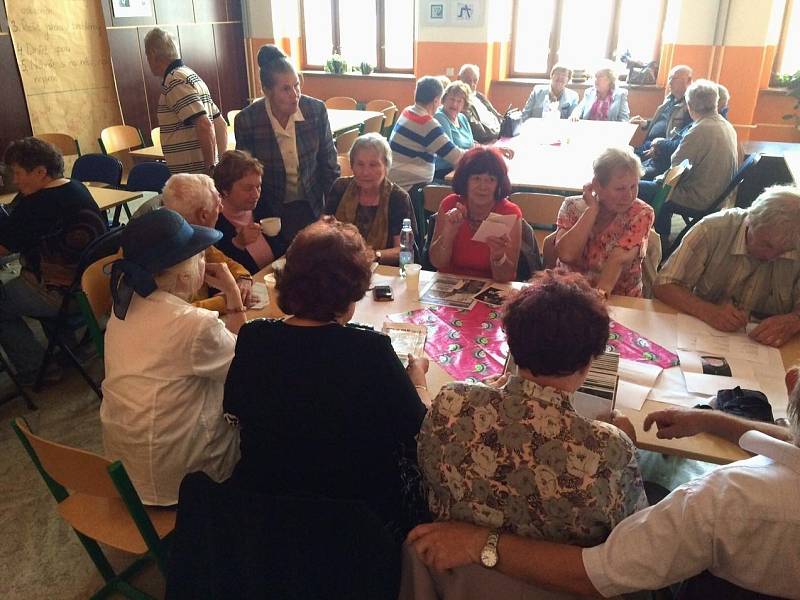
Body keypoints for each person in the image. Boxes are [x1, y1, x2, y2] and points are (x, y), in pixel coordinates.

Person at [406, 376, 800, 599]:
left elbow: (595, 573)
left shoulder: (725, 499)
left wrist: (480, 542)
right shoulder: (728, 496)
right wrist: (711, 421)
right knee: (657, 478)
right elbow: (788, 438)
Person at [222, 217, 429, 542]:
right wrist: (417, 381)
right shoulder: (370, 350)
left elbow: (234, 407)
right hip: (355, 514)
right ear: (354, 289)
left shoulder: (254, 336)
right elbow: (419, 430)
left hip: (264, 503)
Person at [418, 270, 646, 546]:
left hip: (456, 576)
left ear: (511, 348)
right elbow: (634, 537)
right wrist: (630, 445)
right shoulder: (608, 449)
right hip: (554, 584)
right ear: (588, 364)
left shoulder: (450, 402)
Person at [101, 208, 244, 506]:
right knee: (259, 416)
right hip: (181, 478)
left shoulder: (124, 308)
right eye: (200, 257)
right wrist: (233, 294)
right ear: (182, 275)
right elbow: (246, 368)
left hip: (128, 470)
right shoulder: (193, 324)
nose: (205, 262)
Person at [0, 137, 105, 385]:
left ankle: (37, 369)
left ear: (40, 171)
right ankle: (71, 349)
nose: (14, 181)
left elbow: (4, 249)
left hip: (62, 294)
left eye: (17, 173)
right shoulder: (76, 187)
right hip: (96, 286)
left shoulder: (34, 206)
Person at [654, 186, 800, 347]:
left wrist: (794, 320)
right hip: (701, 338)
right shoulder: (712, 229)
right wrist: (707, 311)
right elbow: (664, 284)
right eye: (766, 245)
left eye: (783, 251)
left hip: (774, 349)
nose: (771, 256)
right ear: (749, 221)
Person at [234, 44, 339, 245]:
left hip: (312, 204)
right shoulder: (248, 120)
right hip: (270, 209)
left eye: (297, 85)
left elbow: (329, 165)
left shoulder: (315, 111)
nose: (295, 94)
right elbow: (244, 175)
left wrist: (331, 212)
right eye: (285, 88)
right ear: (266, 91)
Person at [638, 79, 737, 235]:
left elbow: (676, 169)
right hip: (716, 195)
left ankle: (657, 239)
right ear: (716, 103)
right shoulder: (725, 125)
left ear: (689, 106)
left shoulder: (700, 129)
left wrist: (654, 181)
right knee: (651, 186)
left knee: (634, 189)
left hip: (698, 198)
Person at [555, 146, 654, 297]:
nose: (629, 196)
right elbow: (567, 255)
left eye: (634, 186)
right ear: (597, 186)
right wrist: (592, 210)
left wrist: (596, 300)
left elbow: (617, 260)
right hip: (569, 292)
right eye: (620, 189)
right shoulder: (572, 206)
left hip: (618, 297)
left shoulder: (641, 213)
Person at [161, 173, 255, 313]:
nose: (222, 209)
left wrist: (243, 278)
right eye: (218, 205)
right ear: (203, 215)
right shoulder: (161, 250)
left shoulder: (194, 237)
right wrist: (228, 299)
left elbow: (228, 264)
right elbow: (177, 312)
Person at [429, 147, 522, 282]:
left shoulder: (508, 213)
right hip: (450, 284)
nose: (483, 186)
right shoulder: (450, 205)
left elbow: (506, 277)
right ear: (465, 180)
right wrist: (448, 235)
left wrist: (498, 256)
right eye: (476, 178)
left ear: (499, 184)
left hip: (491, 285)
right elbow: (437, 263)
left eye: (491, 179)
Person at [144, 28, 227, 175]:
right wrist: (219, 163)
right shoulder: (190, 75)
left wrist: (210, 168)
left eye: (147, 55)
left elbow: (204, 124)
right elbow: (219, 123)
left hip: (193, 177)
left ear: (152, 54)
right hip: (200, 175)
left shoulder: (174, 81)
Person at [324, 133, 413, 266]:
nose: (365, 172)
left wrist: (373, 256)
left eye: (373, 165)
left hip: (382, 270)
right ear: (352, 166)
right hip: (339, 267)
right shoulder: (340, 188)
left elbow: (404, 251)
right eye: (360, 164)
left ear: (386, 167)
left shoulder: (397, 198)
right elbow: (324, 232)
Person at [388, 76, 465, 191]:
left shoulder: (407, 111)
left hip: (394, 181)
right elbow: (457, 157)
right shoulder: (427, 124)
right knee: (459, 192)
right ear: (435, 101)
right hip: (411, 188)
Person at [212, 149, 282, 274]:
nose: (256, 194)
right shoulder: (214, 222)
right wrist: (237, 244)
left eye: (258, 186)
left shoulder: (263, 206)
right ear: (225, 190)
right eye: (248, 188)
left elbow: (281, 249)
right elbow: (221, 273)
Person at [631, 65, 693, 160]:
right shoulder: (670, 99)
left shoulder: (690, 107)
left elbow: (682, 139)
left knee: (621, 160)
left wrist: (659, 147)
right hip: (648, 144)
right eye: (669, 78)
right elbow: (664, 121)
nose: (670, 82)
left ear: (688, 81)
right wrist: (646, 123)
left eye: (675, 78)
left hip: (659, 152)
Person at [433, 81, 476, 179]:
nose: (454, 104)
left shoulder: (462, 118)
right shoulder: (439, 117)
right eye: (451, 99)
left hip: (462, 167)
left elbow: (472, 146)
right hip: (444, 172)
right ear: (444, 99)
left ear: (464, 104)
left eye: (459, 101)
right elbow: (451, 155)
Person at [458, 64, 504, 143]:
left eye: (475, 81)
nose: (472, 84)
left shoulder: (479, 96)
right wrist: (500, 133)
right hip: (486, 140)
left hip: (497, 134)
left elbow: (496, 114)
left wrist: (505, 126)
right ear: (459, 79)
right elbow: (479, 133)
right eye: (468, 80)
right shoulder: (460, 101)